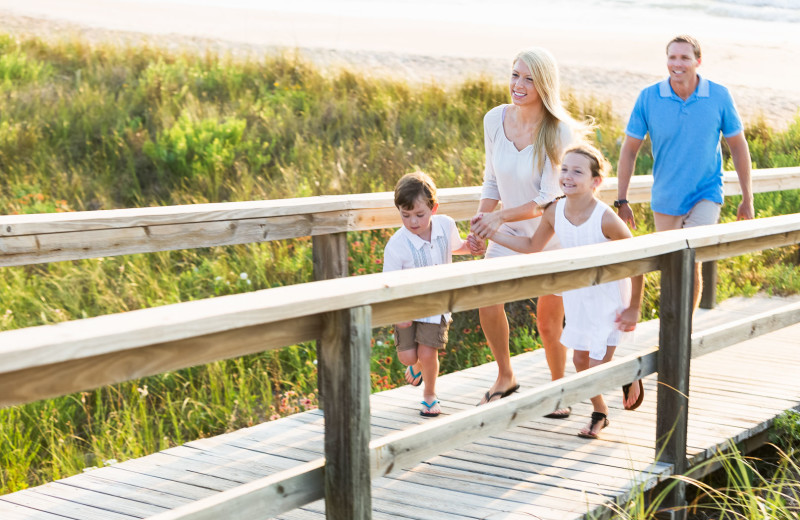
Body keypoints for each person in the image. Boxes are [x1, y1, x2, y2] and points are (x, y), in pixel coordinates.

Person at [473, 143, 644, 438]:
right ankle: (600, 412)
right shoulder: (554, 211)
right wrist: (494, 232)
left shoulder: (606, 218)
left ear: (596, 181)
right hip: (579, 296)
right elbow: (531, 246)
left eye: (577, 171)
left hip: (609, 297)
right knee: (580, 362)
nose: (568, 176)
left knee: (596, 365)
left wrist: (634, 307)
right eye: (564, 169)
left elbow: (638, 260)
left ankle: (630, 371)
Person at [469, 47, 585, 413]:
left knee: (548, 323)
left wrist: (499, 219)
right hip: (505, 235)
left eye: (528, 79)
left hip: (549, 236)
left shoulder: (558, 131)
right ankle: (505, 375)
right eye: (515, 74)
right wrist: (480, 223)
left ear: (544, 85)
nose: (518, 85)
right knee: (486, 296)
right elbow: (491, 182)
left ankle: (558, 390)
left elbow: (547, 198)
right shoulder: (494, 120)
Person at [615, 34, 754, 310]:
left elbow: (738, 146)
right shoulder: (649, 97)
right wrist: (622, 199)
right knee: (671, 267)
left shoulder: (719, 96)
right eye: (672, 57)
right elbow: (629, 150)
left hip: (707, 192)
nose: (677, 64)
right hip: (666, 197)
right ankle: (673, 326)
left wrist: (747, 198)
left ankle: (683, 334)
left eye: (684, 58)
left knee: (690, 257)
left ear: (698, 61)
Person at [383, 171, 472, 417]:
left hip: (436, 303)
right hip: (407, 307)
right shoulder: (397, 245)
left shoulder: (445, 225)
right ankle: (417, 367)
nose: (413, 222)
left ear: (433, 208)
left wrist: (470, 247)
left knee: (428, 352)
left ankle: (430, 396)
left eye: (419, 215)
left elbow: (456, 246)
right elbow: (388, 282)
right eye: (406, 215)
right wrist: (399, 314)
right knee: (408, 358)